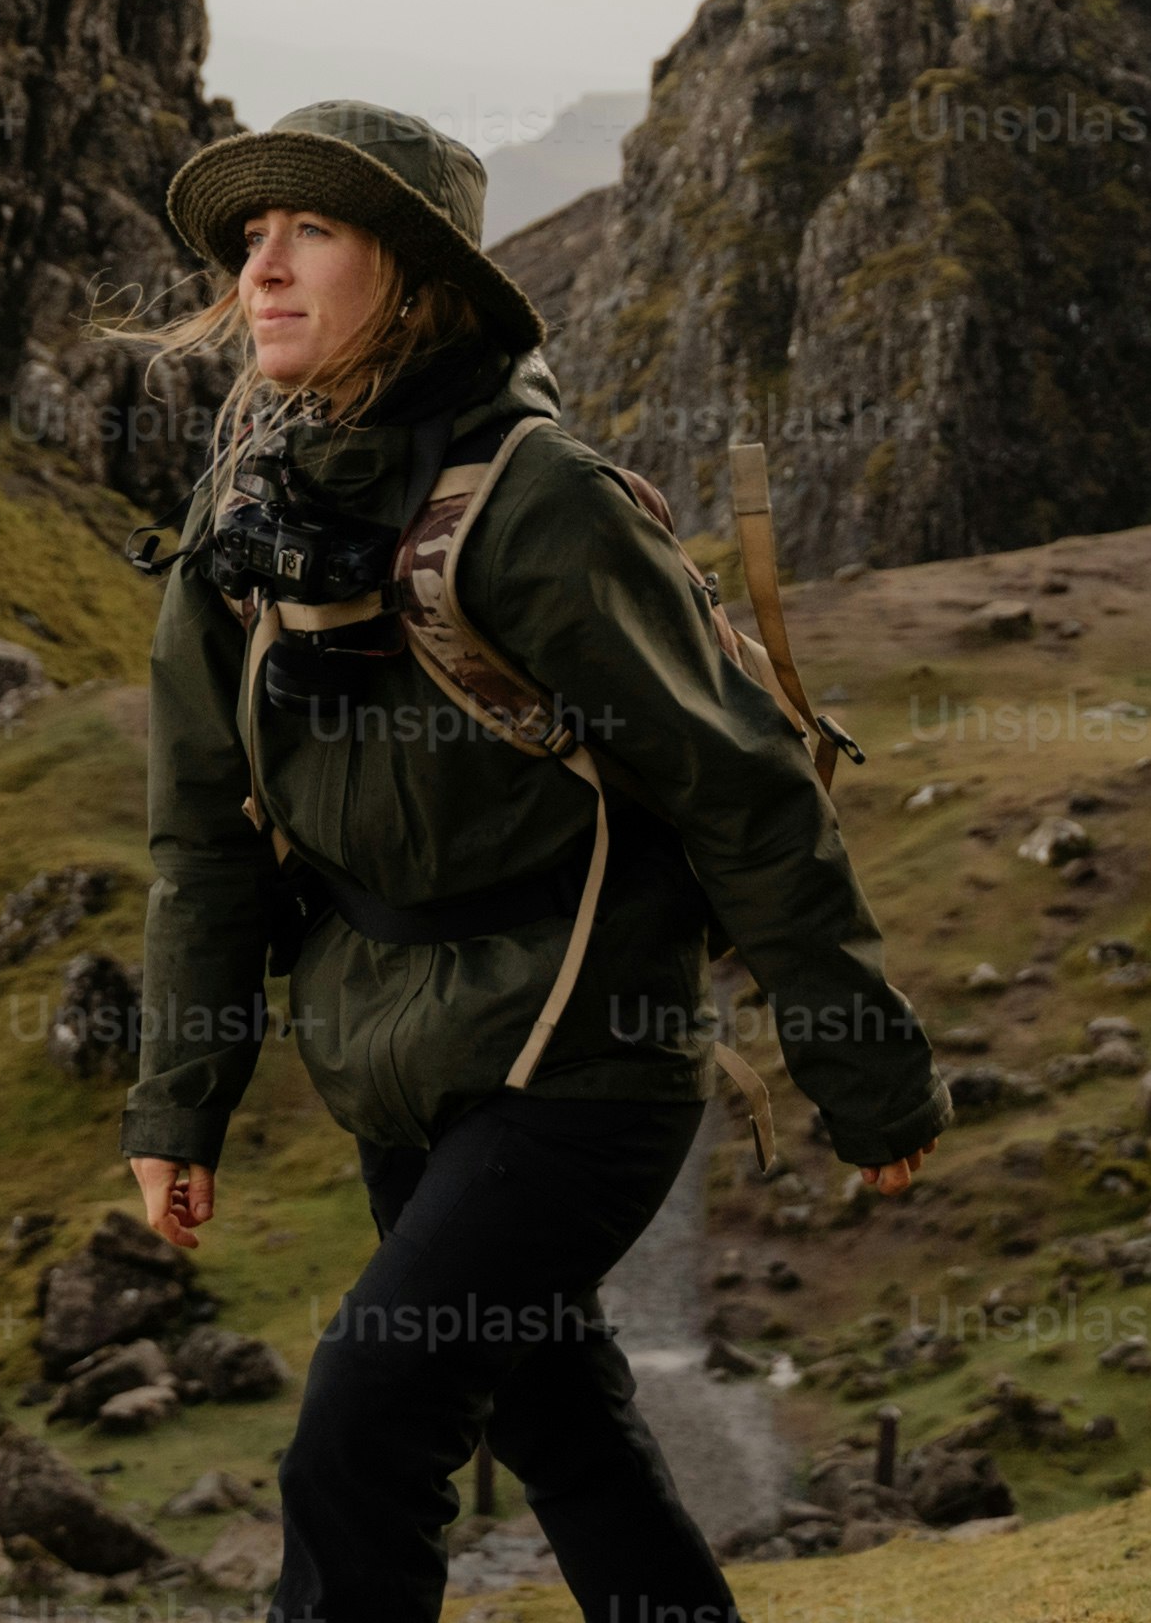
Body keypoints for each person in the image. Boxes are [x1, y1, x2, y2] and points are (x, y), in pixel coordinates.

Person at [117, 99, 943, 1623]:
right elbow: (205, 841)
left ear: (416, 280)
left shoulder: (539, 502)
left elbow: (745, 791)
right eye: (250, 240)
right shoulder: (239, 521)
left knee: (360, 1443)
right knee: (559, 1420)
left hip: (586, 1052)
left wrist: (861, 1067)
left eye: (312, 232)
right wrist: (182, 1103)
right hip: (390, 1055)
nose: (263, 273)